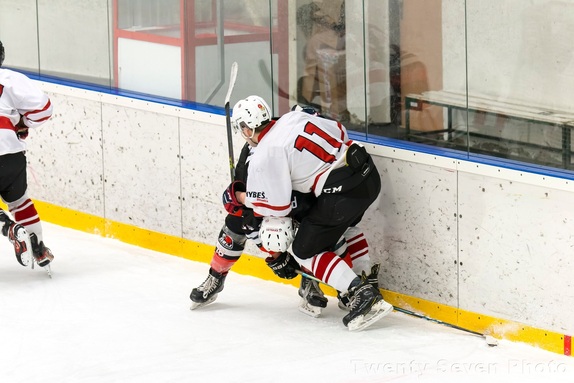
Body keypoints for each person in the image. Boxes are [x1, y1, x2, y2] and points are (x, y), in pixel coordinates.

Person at [228, 95, 393, 331]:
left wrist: (239, 196)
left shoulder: (266, 153)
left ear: (246, 129)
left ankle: (363, 294)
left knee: (303, 250)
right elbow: (340, 131)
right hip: (367, 175)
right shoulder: (292, 117)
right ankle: (367, 280)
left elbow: (276, 207)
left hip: (341, 193)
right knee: (346, 227)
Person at [190, 115, 329, 317]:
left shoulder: (287, 142)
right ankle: (215, 277)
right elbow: (245, 206)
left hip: (296, 201)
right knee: (234, 224)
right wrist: (276, 256)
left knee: (315, 228)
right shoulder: (253, 149)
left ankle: (310, 281)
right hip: (264, 203)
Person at [0, 40, 55, 274]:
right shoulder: (11, 79)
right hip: (12, 152)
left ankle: (10, 229)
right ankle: (39, 249)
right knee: (19, 201)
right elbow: (45, 109)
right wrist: (22, 123)